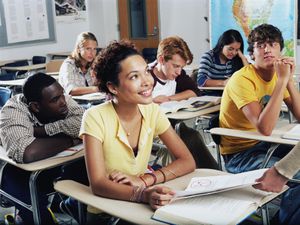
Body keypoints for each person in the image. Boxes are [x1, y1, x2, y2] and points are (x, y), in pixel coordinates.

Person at [80, 40, 196, 224]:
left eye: (146, 72)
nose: (147, 82)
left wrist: (145, 181)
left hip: (142, 205)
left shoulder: (152, 111)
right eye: (134, 77)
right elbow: (99, 184)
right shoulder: (94, 117)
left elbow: (187, 161)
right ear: (112, 87)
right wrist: (141, 194)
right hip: (106, 211)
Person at [219, 24, 300, 224]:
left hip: (264, 146)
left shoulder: (278, 76)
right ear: (252, 53)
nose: (267, 49)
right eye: (260, 45)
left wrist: (288, 80)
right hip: (239, 155)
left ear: (280, 50)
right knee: (297, 179)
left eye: (272, 44)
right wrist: (281, 81)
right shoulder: (242, 79)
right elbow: (265, 129)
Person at [0, 73, 86, 225]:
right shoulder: (13, 110)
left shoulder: (60, 98)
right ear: (35, 106)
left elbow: (83, 122)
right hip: (15, 172)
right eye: (55, 100)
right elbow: (28, 152)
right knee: (40, 217)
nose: (63, 102)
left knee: (87, 168)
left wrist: (42, 131)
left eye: (62, 95)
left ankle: (70, 205)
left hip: (52, 164)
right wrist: (70, 140)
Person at [149, 36, 202, 104]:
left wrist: (169, 99)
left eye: (181, 67)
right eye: (175, 66)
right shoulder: (145, 76)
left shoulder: (178, 74)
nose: (179, 72)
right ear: (161, 60)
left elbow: (195, 91)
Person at [197, 29, 248, 95]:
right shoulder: (209, 56)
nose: (234, 53)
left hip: (229, 95)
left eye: (237, 50)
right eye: (230, 49)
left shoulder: (235, 59)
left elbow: (249, 76)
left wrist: (243, 58)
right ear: (222, 45)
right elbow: (200, 81)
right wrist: (223, 83)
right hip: (211, 95)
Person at [59, 31, 99, 96]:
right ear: (78, 49)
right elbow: (71, 90)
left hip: (91, 101)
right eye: (88, 49)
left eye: (94, 49)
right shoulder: (68, 65)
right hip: (72, 103)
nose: (92, 53)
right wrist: (96, 89)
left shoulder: (93, 64)